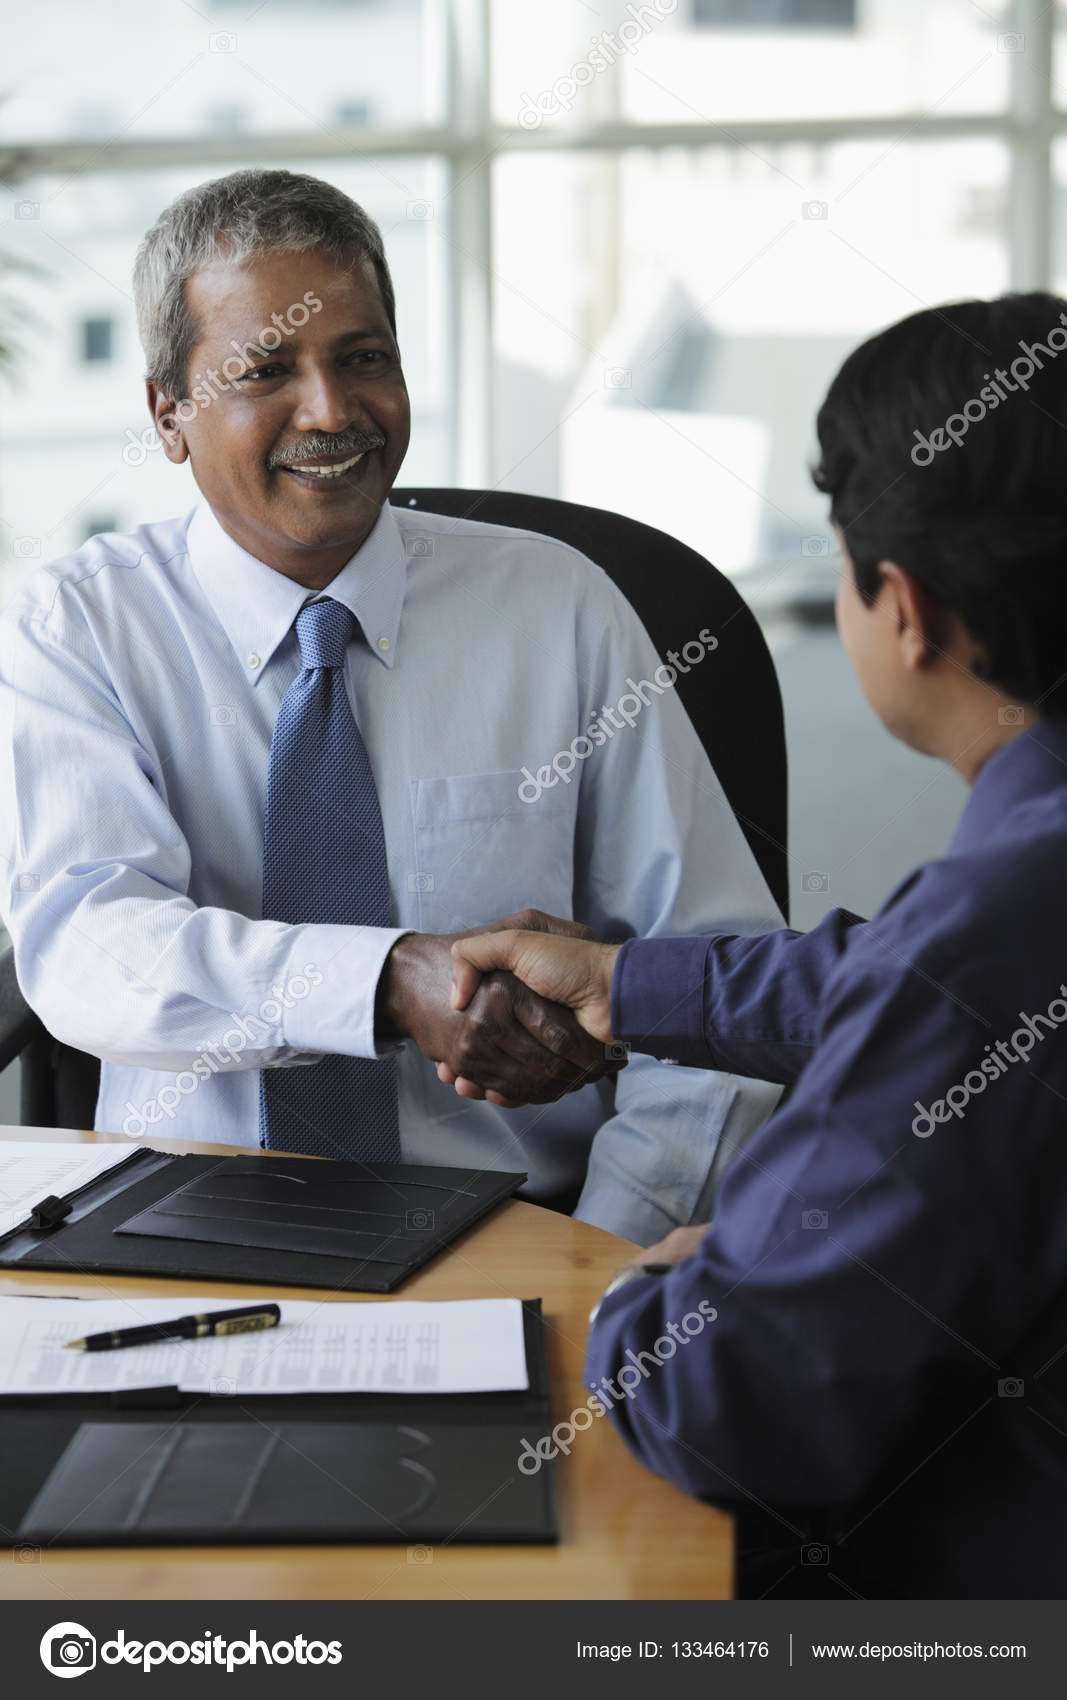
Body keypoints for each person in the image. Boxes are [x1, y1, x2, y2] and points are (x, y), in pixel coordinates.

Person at [0, 168, 781, 1243]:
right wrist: (386, 978)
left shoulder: (557, 604)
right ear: (168, 414)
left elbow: (712, 981)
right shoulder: (78, 624)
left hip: (531, 1226)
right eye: (265, 370)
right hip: (182, 1237)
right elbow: (89, 947)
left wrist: (608, 1258)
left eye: (363, 359)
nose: (330, 411)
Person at [446, 292, 1067, 1598]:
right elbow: (919, 992)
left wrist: (653, 1287)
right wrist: (630, 985)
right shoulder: (1005, 914)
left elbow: (727, 1401)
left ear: (901, 608)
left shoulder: (977, 943)